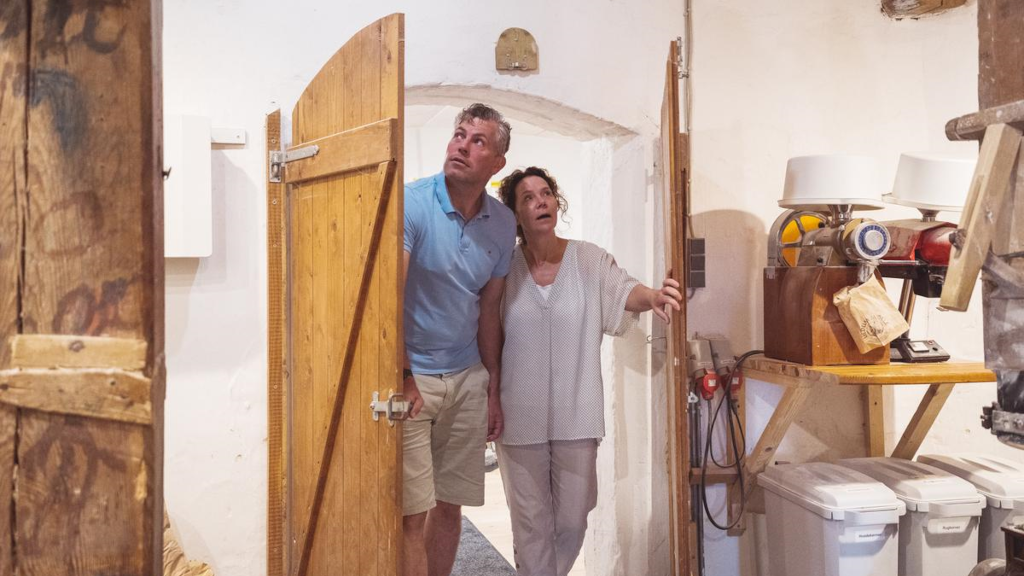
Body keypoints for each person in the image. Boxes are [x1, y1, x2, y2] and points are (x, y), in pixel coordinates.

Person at [496, 167, 682, 576]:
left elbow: (623, 289)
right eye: (527, 198)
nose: (540, 202)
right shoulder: (503, 268)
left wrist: (652, 295)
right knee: (530, 523)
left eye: (545, 193)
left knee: (573, 517)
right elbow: (486, 334)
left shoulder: (588, 259)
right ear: (515, 214)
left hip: (577, 413)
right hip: (517, 414)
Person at [401, 104, 517, 576]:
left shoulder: (503, 223)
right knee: (411, 513)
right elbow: (387, 301)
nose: (462, 146)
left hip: (467, 375)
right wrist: (402, 374)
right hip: (414, 378)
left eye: (478, 141)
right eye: (458, 135)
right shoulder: (412, 203)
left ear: (497, 164)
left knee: (450, 507)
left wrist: (491, 387)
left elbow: (489, 310)